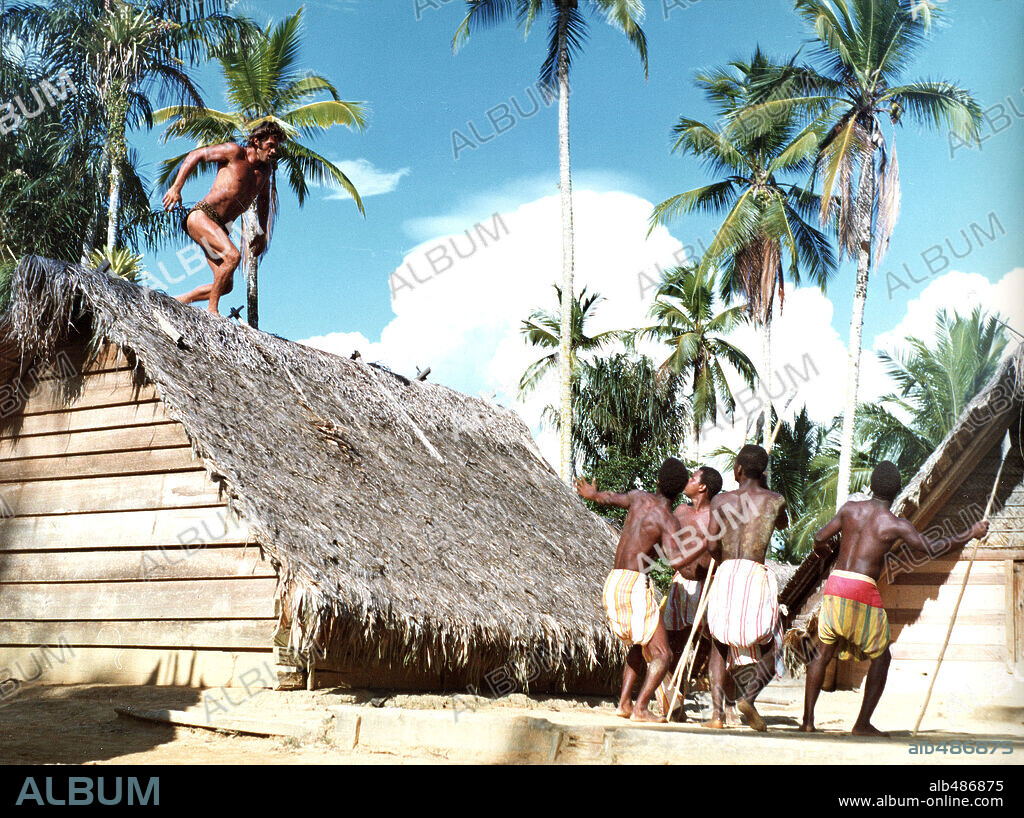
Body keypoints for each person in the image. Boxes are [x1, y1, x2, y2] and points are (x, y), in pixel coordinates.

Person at [800, 461, 989, 736]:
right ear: (897, 491)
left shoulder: (850, 510)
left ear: (872, 486)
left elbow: (819, 537)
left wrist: (822, 549)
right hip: (862, 589)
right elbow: (932, 548)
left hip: (836, 583)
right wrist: (969, 534)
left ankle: (807, 722)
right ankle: (862, 724)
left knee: (823, 650)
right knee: (881, 657)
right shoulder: (895, 524)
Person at [575, 458, 691, 723]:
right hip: (636, 584)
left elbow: (608, 498)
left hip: (614, 581)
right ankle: (641, 708)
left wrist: (592, 494)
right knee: (663, 654)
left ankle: (625, 703)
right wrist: (703, 548)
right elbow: (675, 560)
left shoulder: (638, 498)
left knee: (640, 647)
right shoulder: (668, 519)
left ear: (659, 481)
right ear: (681, 490)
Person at [161, 122, 286, 315]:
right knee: (233, 257)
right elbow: (196, 155)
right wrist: (176, 188)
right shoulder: (233, 152)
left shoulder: (265, 171)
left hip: (220, 227)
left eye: (276, 147)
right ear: (256, 141)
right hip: (201, 217)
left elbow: (264, 200)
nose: (274, 151)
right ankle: (212, 311)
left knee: (225, 284)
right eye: (270, 145)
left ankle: (181, 300)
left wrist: (261, 233)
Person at [703, 444, 788, 731]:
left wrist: (726, 563)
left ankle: (716, 715)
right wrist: (764, 484)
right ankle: (748, 698)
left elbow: (712, 545)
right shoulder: (776, 499)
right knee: (774, 642)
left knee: (718, 642)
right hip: (754, 573)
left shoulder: (720, 501)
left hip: (726, 572)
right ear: (762, 472)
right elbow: (783, 524)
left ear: (737, 469)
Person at [655, 466, 723, 720]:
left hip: (707, 585)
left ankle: (723, 707)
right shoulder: (681, 511)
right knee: (675, 643)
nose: (688, 480)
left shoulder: (716, 515)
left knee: (714, 644)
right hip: (681, 584)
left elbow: (719, 549)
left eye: (693, 478)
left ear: (703, 487)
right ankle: (675, 705)